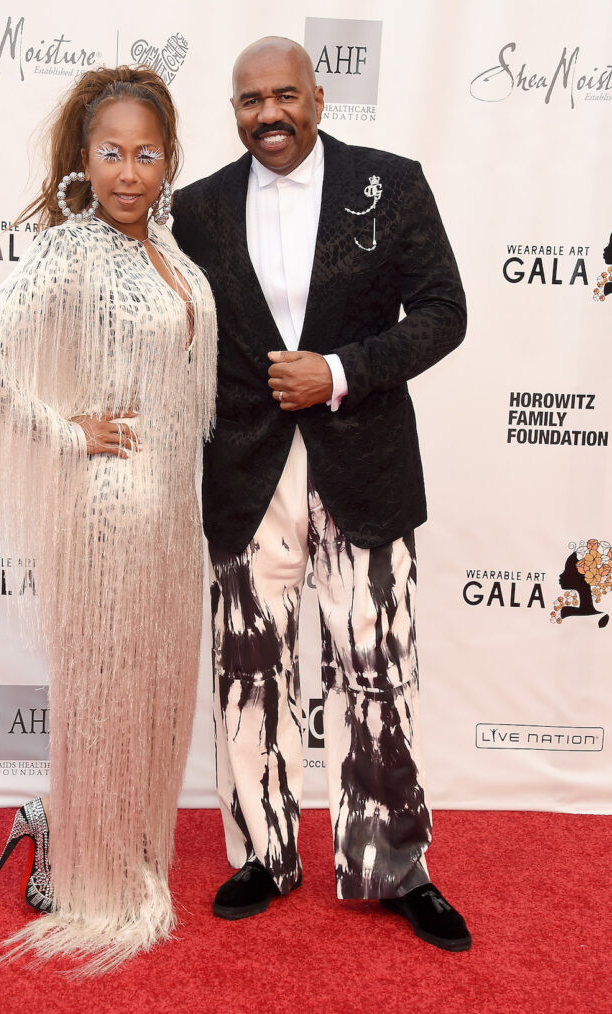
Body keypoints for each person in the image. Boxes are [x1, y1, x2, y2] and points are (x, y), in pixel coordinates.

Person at [171, 37, 471, 951]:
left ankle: (393, 865)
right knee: (248, 670)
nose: (268, 114)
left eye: (285, 95)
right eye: (249, 100)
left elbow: (443, 312)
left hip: (364, 463)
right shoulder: (197, 209)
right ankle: (264, 854)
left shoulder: (392, 182)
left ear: (319, 94)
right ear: (234, 110)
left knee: (377, 666)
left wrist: (339, 370)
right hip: (245, 474)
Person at [0, 66, 216, 975]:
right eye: (110, 152)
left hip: (172, 524)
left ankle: (78, 824)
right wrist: (66, 432)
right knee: (102, 695)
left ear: (169, 160)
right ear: (83, 161)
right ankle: (73, 849)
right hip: (106, 518)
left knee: (147, 696)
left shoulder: (170, 255)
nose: (128, 172)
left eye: (145, 153)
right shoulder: (70, 252)